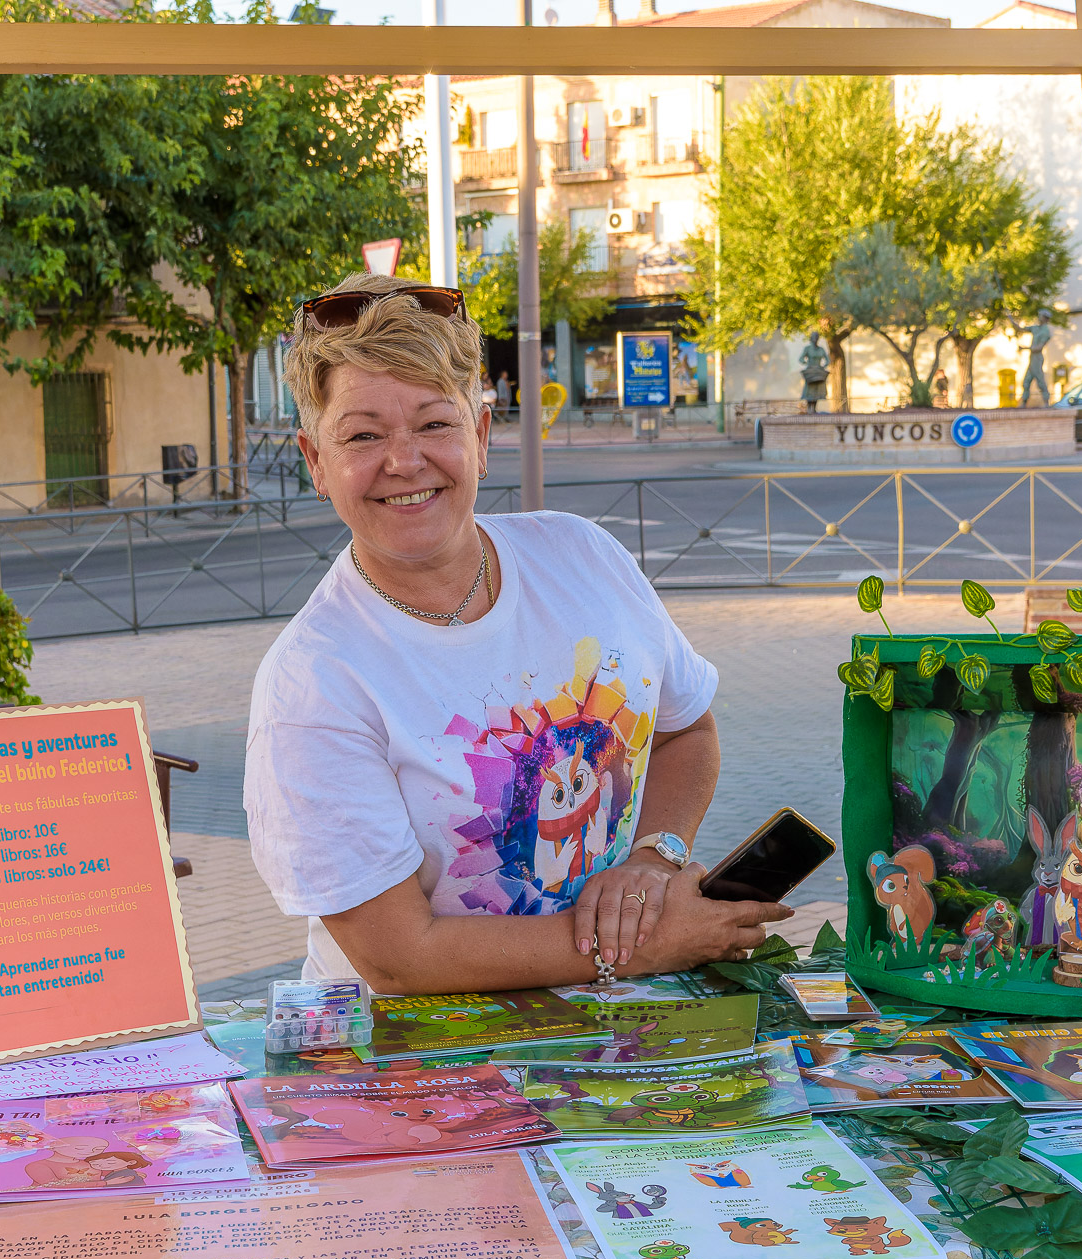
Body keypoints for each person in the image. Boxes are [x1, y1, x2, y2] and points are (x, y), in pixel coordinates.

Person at [244, 274, 791, 996]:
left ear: (480, 434)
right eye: (363, 434)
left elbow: (687, 731)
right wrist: (645, 945)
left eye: (435, 424)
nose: (404, 461)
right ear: (315, 460)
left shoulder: (583, 556)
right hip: (420, 1075)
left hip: (615, 1039)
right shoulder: (315, 680)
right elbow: (401, 956)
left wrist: (653, 862)